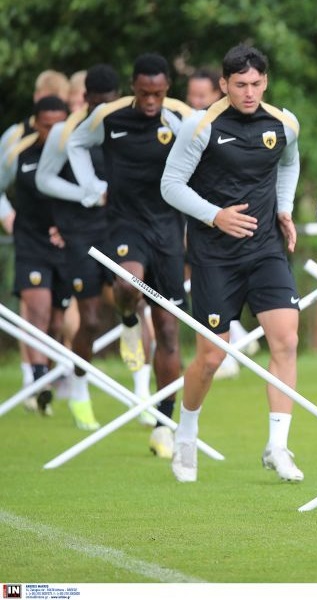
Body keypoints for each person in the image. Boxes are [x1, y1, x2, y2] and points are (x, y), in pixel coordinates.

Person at [160, 44, 303, 483]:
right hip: (214, 257)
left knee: (286, 340)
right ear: (224, 84)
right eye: (240, 84)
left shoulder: (283, 123)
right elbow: (170, 185)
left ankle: (277, 446)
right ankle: (186, 434)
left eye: (256, 84)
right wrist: (214, 215)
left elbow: (289, 163)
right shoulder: (200, 125)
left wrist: (284, 208)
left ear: (266, 81)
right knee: (211, 357)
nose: (249, 92)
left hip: (265, 251)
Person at [67, 53, 193, 458]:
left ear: (167, 88)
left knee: (169, 330)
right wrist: (91, 186)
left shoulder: (182, 117)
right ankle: (128, 322)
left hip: (168, 231)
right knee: (126, 284)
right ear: (133, 88)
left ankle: (164, 423)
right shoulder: (109, 116)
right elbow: (75, 142)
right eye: (143, 93)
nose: (151, 101)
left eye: (158, 93)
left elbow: (208, 155)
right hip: (125, 224)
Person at [35, 63, 123, 430]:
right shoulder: (65, 131)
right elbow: (44, 180)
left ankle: (145, 395)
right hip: (80, 234)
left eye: (109, 102)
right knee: (90, 319)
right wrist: (85, 193)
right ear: (85, 99)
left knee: (133, 297)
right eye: (96, 102)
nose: (103, 109)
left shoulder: (129, 124)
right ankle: (80, 390)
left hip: (119, 229)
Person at [183, 65, 258, 379]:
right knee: (195, 280)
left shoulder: (234, 127)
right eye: (192, 95)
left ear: (219, 92)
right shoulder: (188, 125)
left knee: (212, 279)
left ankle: (231, 341)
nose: (196, 101)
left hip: (224, 220)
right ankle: (232, 337)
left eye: (203, 95)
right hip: (190, 214)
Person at [1, 69, 71, 400]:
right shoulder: (17, 147)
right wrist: (8, 217)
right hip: (30, 241)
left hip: (66, 245)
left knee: (58, 322)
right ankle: (38, 378)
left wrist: (71, 227)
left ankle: (57, 375)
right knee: (36, 308)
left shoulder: (77, 149)